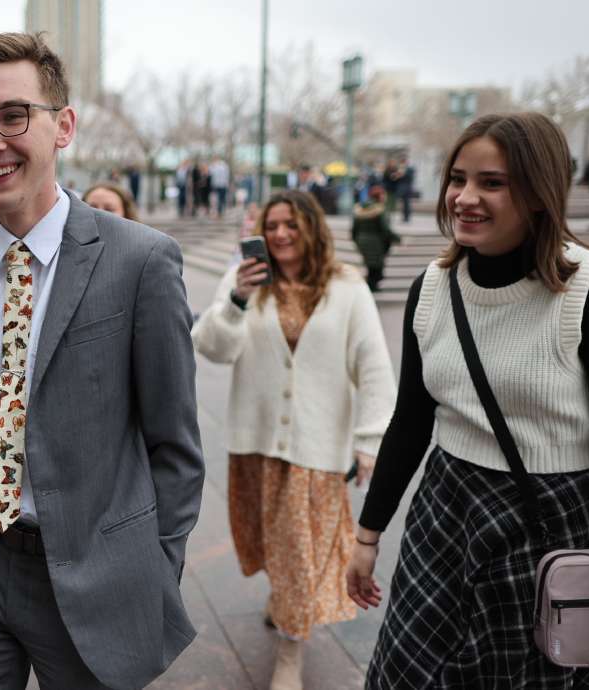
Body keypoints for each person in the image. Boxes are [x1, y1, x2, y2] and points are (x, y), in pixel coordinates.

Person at [0, 32, 204, 690]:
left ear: (63, 127)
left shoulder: (141, 261)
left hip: (91, 570)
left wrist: (151, 577)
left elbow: (174, 448)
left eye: (12, 116)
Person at [345, 113, 589, 689]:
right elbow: (413, 420)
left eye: (492, 183)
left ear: (539, 193)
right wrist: (368, 536)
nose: (465, 198)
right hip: (444, 515)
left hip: (551, 525)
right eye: (458, 179)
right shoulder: (433, 287)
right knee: (404, 676)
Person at [193, 189, 395, 689]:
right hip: (255, 442)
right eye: (273, 224)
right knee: (267, 540)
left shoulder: (347, 286)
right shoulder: (245, 280)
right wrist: (238, 298)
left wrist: (370, 439)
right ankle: (283, 596)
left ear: (312, 228)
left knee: (300, 554)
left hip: (316, 446)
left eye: (292, 224)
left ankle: (289, 652)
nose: (281, 234)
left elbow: (373, 364)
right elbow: (214, 348)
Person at [351, 186, 401, 291]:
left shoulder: (360, 209)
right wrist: (396, 238)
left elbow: (354, 229)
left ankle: (372, 285)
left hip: (361, 240)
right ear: (380, 196)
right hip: (375, 242)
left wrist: (356, 240)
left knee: (371, 264)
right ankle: (372, 286)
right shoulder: (380, 210)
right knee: (376, 265)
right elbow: (385, 229)